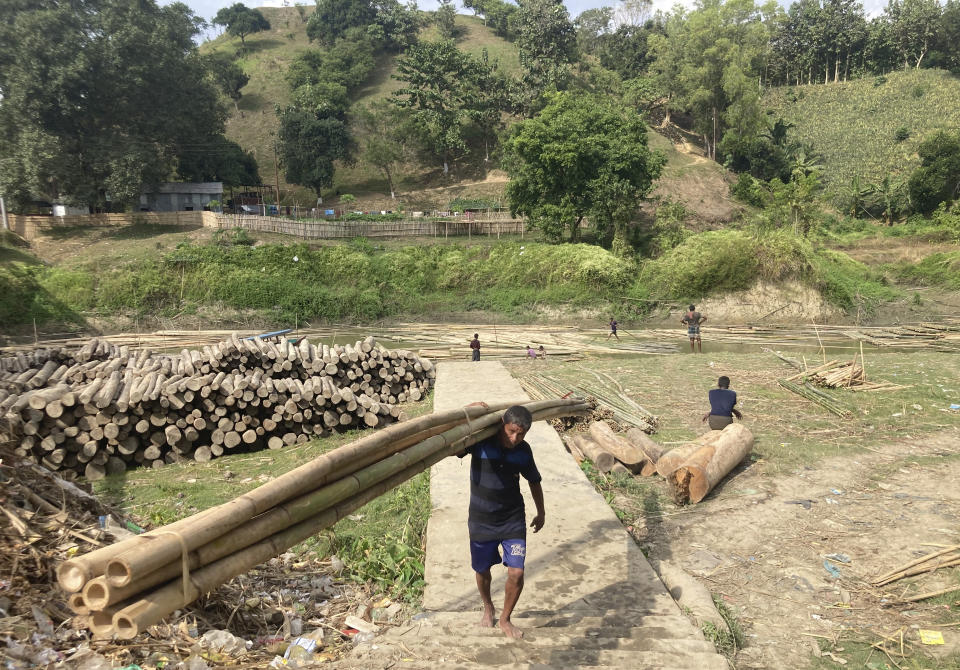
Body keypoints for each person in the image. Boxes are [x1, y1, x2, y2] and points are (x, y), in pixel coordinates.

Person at [458, 405, 544, 639]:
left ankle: (505, 618)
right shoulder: (481, 442)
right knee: (482, 570)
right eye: (511, 431)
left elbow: (534, 481)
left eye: (521, 434)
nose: (514, 438)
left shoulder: (523, 451)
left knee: (517, 572)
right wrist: (470, 410)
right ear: (501, 425)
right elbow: (450, 446)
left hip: (512, 519)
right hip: (481, 519)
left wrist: (541, 512)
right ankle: (488, 606)